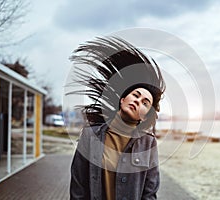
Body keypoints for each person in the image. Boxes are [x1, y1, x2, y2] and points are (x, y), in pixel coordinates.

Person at [69, 36, 166, 200]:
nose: (138, 101)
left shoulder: (148, 143)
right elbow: (78, 187)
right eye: (135, 95)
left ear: (144, 116)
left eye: (145, 103)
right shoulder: (89, 135)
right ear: (122, 99)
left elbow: (149, 193)